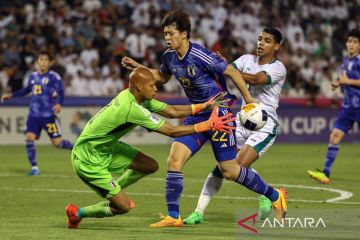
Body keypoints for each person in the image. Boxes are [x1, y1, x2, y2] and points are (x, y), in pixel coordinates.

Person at [122, 10, 287, 227]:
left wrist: (248, 101)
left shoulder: (200, 55)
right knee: (174, 159)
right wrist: (140, 68)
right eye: (165, 34)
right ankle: (174, 216)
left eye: (171, 34)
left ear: (184, 34)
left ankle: (274, 196)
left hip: (220, 114)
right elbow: (162, 77)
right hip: (197, 113)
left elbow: (232, 72)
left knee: (230, 170)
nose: (167, 38)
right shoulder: (169, 56)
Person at [65, 67, 235, 229]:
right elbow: (172, 131)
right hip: (87, 158)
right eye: (152, 85)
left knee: (149, 165)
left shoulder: (135, 97)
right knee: (123, 207)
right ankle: (78, 213)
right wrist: (207, 125)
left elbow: (171, 111)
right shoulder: (130, 108)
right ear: (139, 86)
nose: (156, 88)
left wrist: (202, 106)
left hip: (106, 147)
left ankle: (114, 189)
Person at [183, 27, 287, 225]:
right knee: (224, 168)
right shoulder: (246, 59)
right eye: (259, 39)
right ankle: (198, 212)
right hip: (242, 120)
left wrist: (230, 70)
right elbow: (224, 71)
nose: (260, 43)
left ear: (276, 46)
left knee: (236, 167)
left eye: (266, 40)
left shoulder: (279, 67)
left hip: (264, 123)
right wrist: (220, 67)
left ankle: (270, 193)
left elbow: (257, 79)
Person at [1, 49, 73, 176]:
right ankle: (34, 168)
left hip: (48, 116)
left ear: (51, 62)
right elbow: (26, 90)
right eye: (40, 59)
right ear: (37, 61)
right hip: (33, 115)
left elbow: (61, 93)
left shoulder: (54, 76)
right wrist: (11, 95)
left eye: (46, 60)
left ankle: (77, 148)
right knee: (29, 137)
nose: (43, 62)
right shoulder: (33, 76)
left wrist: (58, 104)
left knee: (58, 144)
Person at [307, 29, 360, 184]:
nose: (351, 44)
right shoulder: (346, 60)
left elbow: (349, 80)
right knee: (334, 136)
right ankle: (326, 173)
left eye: (355, 42)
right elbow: (345, 78)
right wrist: (338, 82)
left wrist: (346, 82)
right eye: (349, 41)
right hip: (348, 107)